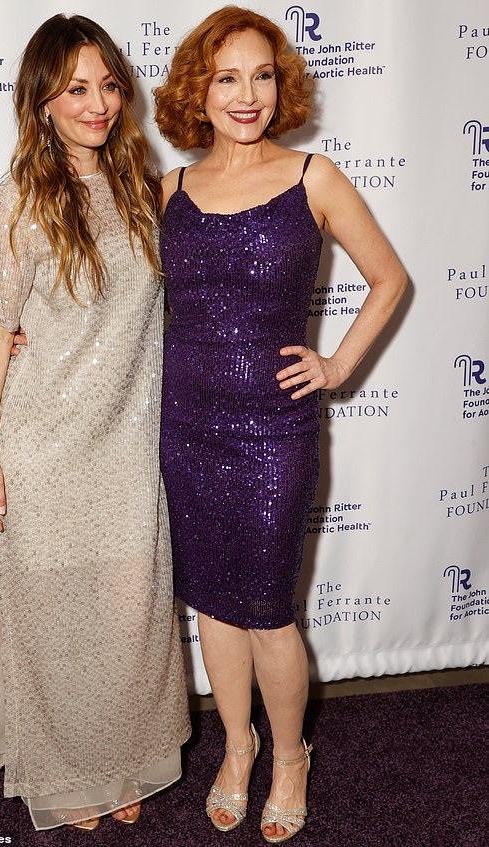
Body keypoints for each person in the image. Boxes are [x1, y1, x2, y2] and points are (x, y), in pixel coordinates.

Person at [153, 5, 407, 843]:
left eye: (263, 74)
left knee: (266, 607)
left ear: (281, 83)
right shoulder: (168, 192)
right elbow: (119, 306)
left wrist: (336, 366)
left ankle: (290, 755)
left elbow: (389, 280)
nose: (248, 93)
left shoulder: (313, 178)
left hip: (274, 430)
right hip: (186, 425)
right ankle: (237, 746)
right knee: (213, 608)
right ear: (200, 88)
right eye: (228, 76)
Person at [0, 13, 190, 833]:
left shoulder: (145, 187)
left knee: (128, 615)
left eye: (106, 85)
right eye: (74, 90)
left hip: (127, 444)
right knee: (57, 615)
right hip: (42, 442)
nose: (96, 104)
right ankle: (70, 774)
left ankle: (124, 763)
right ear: (42, 102)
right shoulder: (16, 200)